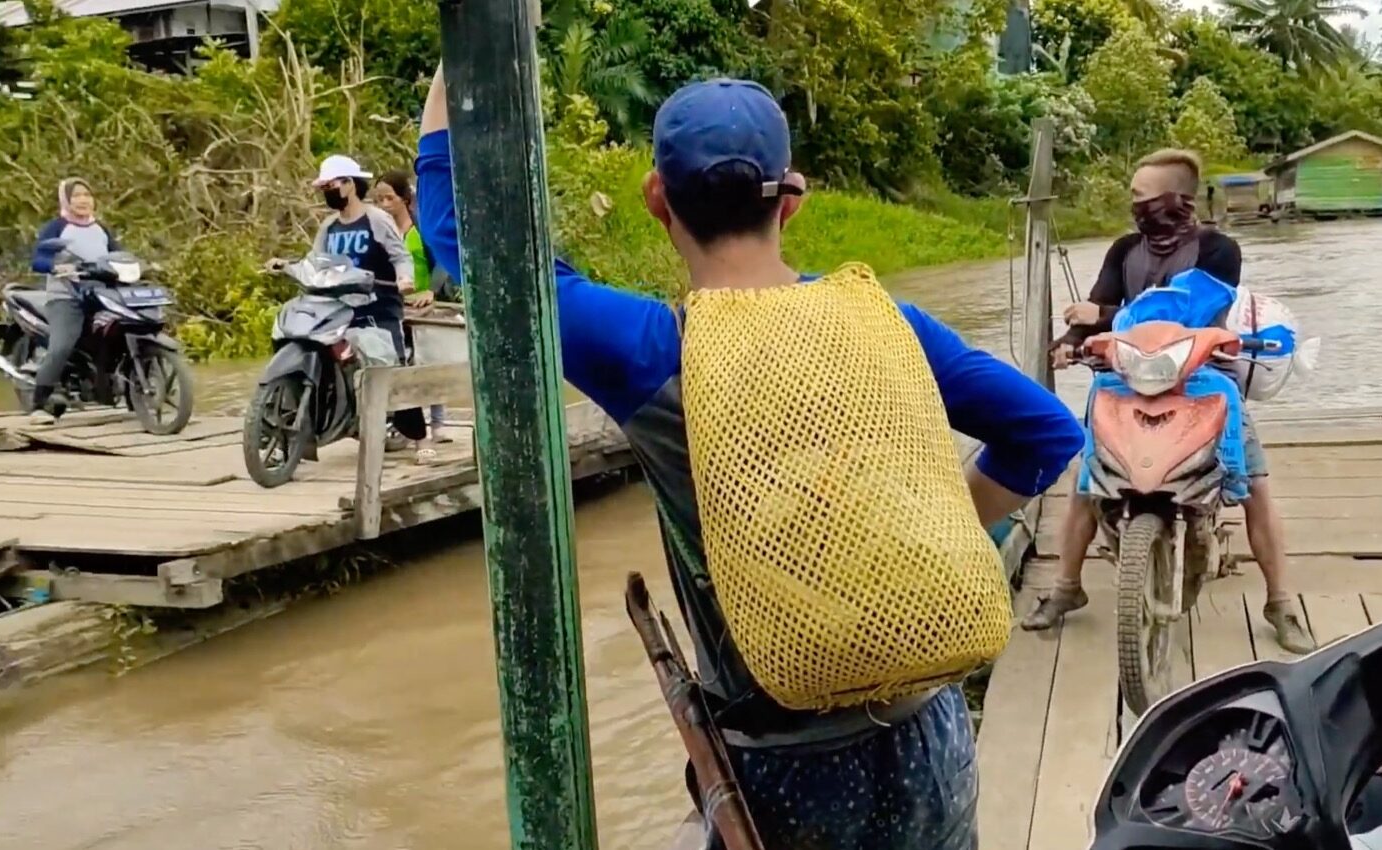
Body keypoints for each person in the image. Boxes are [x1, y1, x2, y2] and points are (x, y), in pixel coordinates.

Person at [418, 72, 1084, 850]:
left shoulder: (650, 351)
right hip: (928, 742)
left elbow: (471, 239)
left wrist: (457, 70)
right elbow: (1045, 432)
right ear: (791, 200)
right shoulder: (886, 324)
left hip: (783, 769)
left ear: (656, 199)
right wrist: (944, 522)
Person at [1026, 148, 1315, 655]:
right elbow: (1097, 306)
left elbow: (1186, 309)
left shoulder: (1218, 251)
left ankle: (1280, 599)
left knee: (1255, 487)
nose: (1136, 207)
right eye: (1135, 198)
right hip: (1128, 376)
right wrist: (1072, 340)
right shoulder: (1123, 250)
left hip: (1202, 375)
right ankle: (1066, 587)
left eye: (1144, 197)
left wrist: (1107, 312)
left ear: (1177, 201)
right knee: (1086, 483)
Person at [285, 154, 434, 464]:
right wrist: (288, 266)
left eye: (330, 185)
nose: (326, 191)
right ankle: (313, 432)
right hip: (339, 309)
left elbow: (399, 255)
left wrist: (405, 278)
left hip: (379, 307)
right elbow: (315, 262)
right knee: (320, 359)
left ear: (350, 185)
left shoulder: (376, 219)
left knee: (391, 369)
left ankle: (420, 440)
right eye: (323, 186)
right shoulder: (328, 226)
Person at [26, 178, 124, 425]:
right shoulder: (57, 227)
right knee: (61, 346)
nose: (83, 200)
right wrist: (57, 266)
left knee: (121, 333)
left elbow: (118, 254)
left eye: (87, 195)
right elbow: (38, 260)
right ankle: (38, 404)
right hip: (66, 298)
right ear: (66, 200)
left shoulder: (100, 228)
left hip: (101, 296)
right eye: (76, 195)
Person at [374, 169, 454, 445]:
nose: (384, 205)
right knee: (398, 360)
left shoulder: (422, 227)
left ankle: (438, 425)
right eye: (379, 199)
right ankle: (398, 423)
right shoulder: (378, 228)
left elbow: (443, 260)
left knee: (427, 358)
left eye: (389, 198)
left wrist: (430, 291)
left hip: (422, 301)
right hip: (391, 303)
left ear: (404, 199)